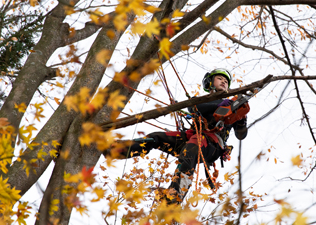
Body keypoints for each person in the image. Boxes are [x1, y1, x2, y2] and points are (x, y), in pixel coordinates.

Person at [103, 68, 248, 204]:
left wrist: (242, 118)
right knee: (156, 138)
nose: (224, 81)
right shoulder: (202, 101)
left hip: (212, 145)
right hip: (191, 137)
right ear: (210, 82)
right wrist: (218, 104)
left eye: (226, 81)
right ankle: (116, 150)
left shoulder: (233, 107)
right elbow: (193, 107)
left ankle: (174, 197)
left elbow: (241, 135)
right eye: (219, 78)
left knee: (190, 150)